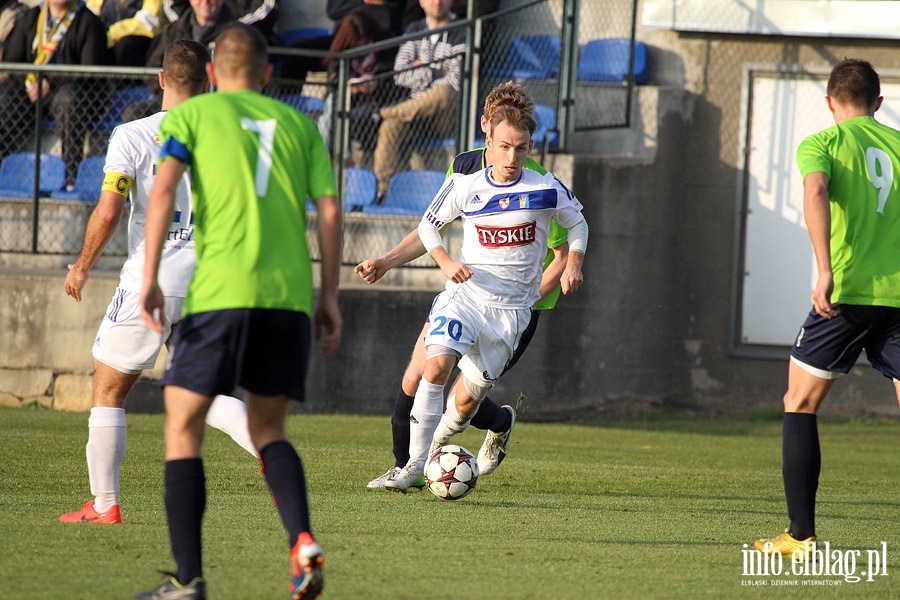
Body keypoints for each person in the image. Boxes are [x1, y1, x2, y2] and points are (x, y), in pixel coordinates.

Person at [136, 23, 341, 600]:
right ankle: (301, 540)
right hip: (286, 300)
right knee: (269, 429)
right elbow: (328, 213)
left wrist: (148, 275)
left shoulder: (190, 117)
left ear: (210, 76)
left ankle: (187, 581)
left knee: (181, 426)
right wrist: (328, 295)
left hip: (221, 295)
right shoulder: (302, 125)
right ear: (269, 74)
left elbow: (161, 190)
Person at [58, 39, 257, 526]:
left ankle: (105, 505)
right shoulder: (231, 134)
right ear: (208, 81)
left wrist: (82, 265)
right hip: (214, 280)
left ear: (161, 80)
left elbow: (108, 210)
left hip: (154, 278)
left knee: (107, 389)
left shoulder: (132, 135)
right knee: (201, 390)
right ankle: (272, 454)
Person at [358, 82, 569, 490]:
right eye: (494, 132)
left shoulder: (540, 184)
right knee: (421, 373)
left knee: (463, 403)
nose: (507, 150)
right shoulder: (466, 166)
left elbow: (560, 257)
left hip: (520, 306)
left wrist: (523, 303)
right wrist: (385, 261)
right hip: (467, 296)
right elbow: (431, 224)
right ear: (485, 127)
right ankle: (406, 468)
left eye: (516, 142)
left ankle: (502, 420)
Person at [754, 58, 900, 556]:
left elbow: (815, 188)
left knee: (800, 402)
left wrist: (824, 269)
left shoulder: (823, 143)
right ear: (879, 103)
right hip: (899, 298)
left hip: (845, 297)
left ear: (830, 102)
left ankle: (801, 535)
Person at [0, 0, 108, 185]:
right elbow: (13, 61)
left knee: (68, 99)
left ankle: (70, 175)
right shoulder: (30, 18)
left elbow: (89, 70)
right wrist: (31, 83)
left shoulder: (89, 22)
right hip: (32, 91)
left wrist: (50, 82)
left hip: (70, 92)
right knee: (8, 98)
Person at [372, 0, 464, 198]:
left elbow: (457, 79)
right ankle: (384, 190)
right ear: (421, 2)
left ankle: (384, 112)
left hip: (445, 116)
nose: (437, 2)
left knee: (445, 91)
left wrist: (421, 67)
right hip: (416, 114)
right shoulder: (414, 28)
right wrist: (436, 71)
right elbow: (400, 74)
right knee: (390, 125)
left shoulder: (462, 30)